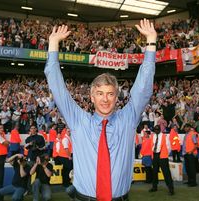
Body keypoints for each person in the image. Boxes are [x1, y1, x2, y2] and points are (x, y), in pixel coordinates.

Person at [44, 19, 156, 200]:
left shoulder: (128, 119)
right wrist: (53, 44)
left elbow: (143, 89)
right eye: (100, 93)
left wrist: (150, 43)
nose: (105, 99)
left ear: (116, 97)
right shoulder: (78, 120)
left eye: (110, 94)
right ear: (92, 96)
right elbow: (57, 88)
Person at [149, 125, 174, 195]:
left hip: (163, 157)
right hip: (155, 155)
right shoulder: (153, 136)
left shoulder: (164, 136)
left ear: (160, 130)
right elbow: (152, 145)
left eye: (157, 130)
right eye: (155, 130)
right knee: (154, 172)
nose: (156, 131)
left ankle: (171, 189)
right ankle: (154, 187)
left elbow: (169, 147)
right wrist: (153, 155)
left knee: (166, 173)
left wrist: (165, 154)